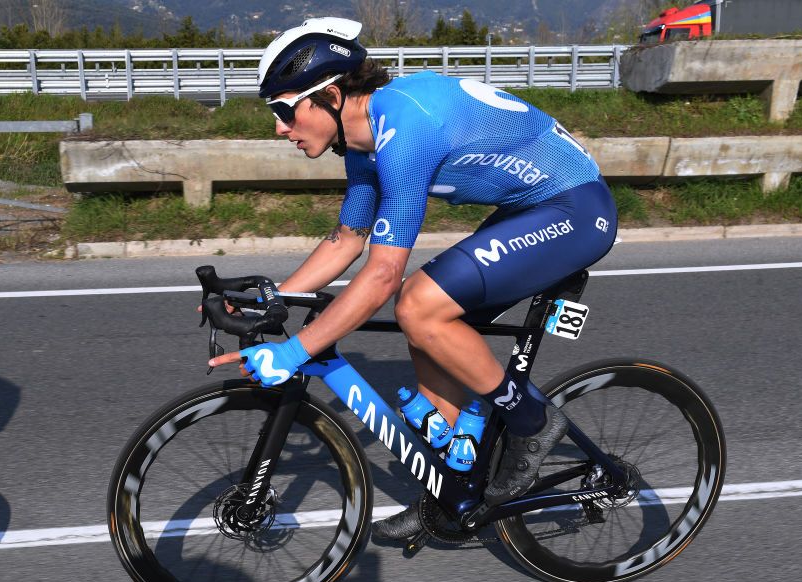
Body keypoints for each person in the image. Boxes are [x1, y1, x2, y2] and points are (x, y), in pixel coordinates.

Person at [209, 17, 618, 540]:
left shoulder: (403, 126)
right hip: (528, 209)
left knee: (416, 303)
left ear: (330, 96)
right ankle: (451, 491)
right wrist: (272, 299)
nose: (279, 128)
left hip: (576, 209)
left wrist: (295, 351)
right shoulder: (363, 142)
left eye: (285, 111)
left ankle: (533, 422)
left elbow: (381, 273)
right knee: (429, 328)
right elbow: (347, 240)